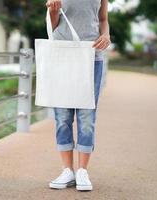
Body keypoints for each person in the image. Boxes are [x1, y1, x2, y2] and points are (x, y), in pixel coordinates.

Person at [45, 0, 111, 191]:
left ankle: (82, 171)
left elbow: (103, 19)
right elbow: (54, 22)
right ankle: (67, 170)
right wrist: (53, 11)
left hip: (92, 57)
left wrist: (106, 34)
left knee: (87, 116)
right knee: (63, 117)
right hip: (63, 57)